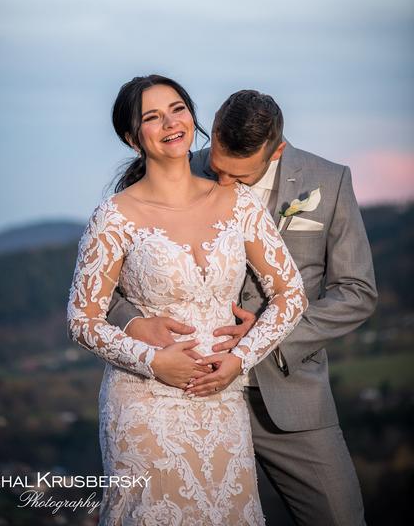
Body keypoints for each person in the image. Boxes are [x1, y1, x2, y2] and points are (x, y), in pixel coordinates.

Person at [107, 88, 377, 526]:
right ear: (213, 129)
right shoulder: (174, 168)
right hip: (185, 398)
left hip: (291, 396)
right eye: (218, 170)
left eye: (239, 175)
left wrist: (266, 338)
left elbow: (356, 290)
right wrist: (135, 322)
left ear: (276, 151)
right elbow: (106, 286)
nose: (225, 183)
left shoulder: (330, 181)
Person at [67, 75, 307, 525]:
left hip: (223, 400)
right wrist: (153, 361)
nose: (170, 123)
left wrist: (241, 358)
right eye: (152, 117)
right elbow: (82, 320)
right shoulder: (114, 217)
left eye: (177, 109)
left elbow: (290, 294)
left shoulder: (239, 203)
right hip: (145, 404)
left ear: (193, 117)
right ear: (132, 137)